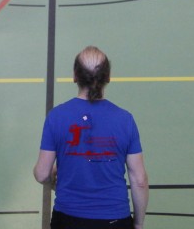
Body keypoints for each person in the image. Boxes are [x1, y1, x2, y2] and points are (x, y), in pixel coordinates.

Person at [34, 46, 149, 229]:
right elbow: (139, 180)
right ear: (108, 77)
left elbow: (42, 174)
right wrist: (138, 223)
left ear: (75, 76)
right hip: (115, 219)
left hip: (68, 219)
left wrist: (56, 176)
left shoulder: (56, 116)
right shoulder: (125, 119)